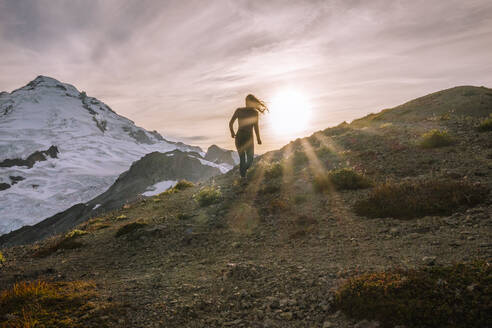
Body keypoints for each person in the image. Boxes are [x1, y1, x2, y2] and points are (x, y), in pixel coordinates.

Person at [229, 94, 267, 178]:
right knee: (243, 159)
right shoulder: (239, 110)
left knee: (249, 160)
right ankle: (243, 178)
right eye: (246, 101)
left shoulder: (254, 113)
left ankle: (242, 173)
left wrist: (258, 139)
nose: (247, 103)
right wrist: (232, 132)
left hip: (248, 138)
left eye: (249, 102)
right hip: (241, 137)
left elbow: (256, 126)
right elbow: (231, 122)